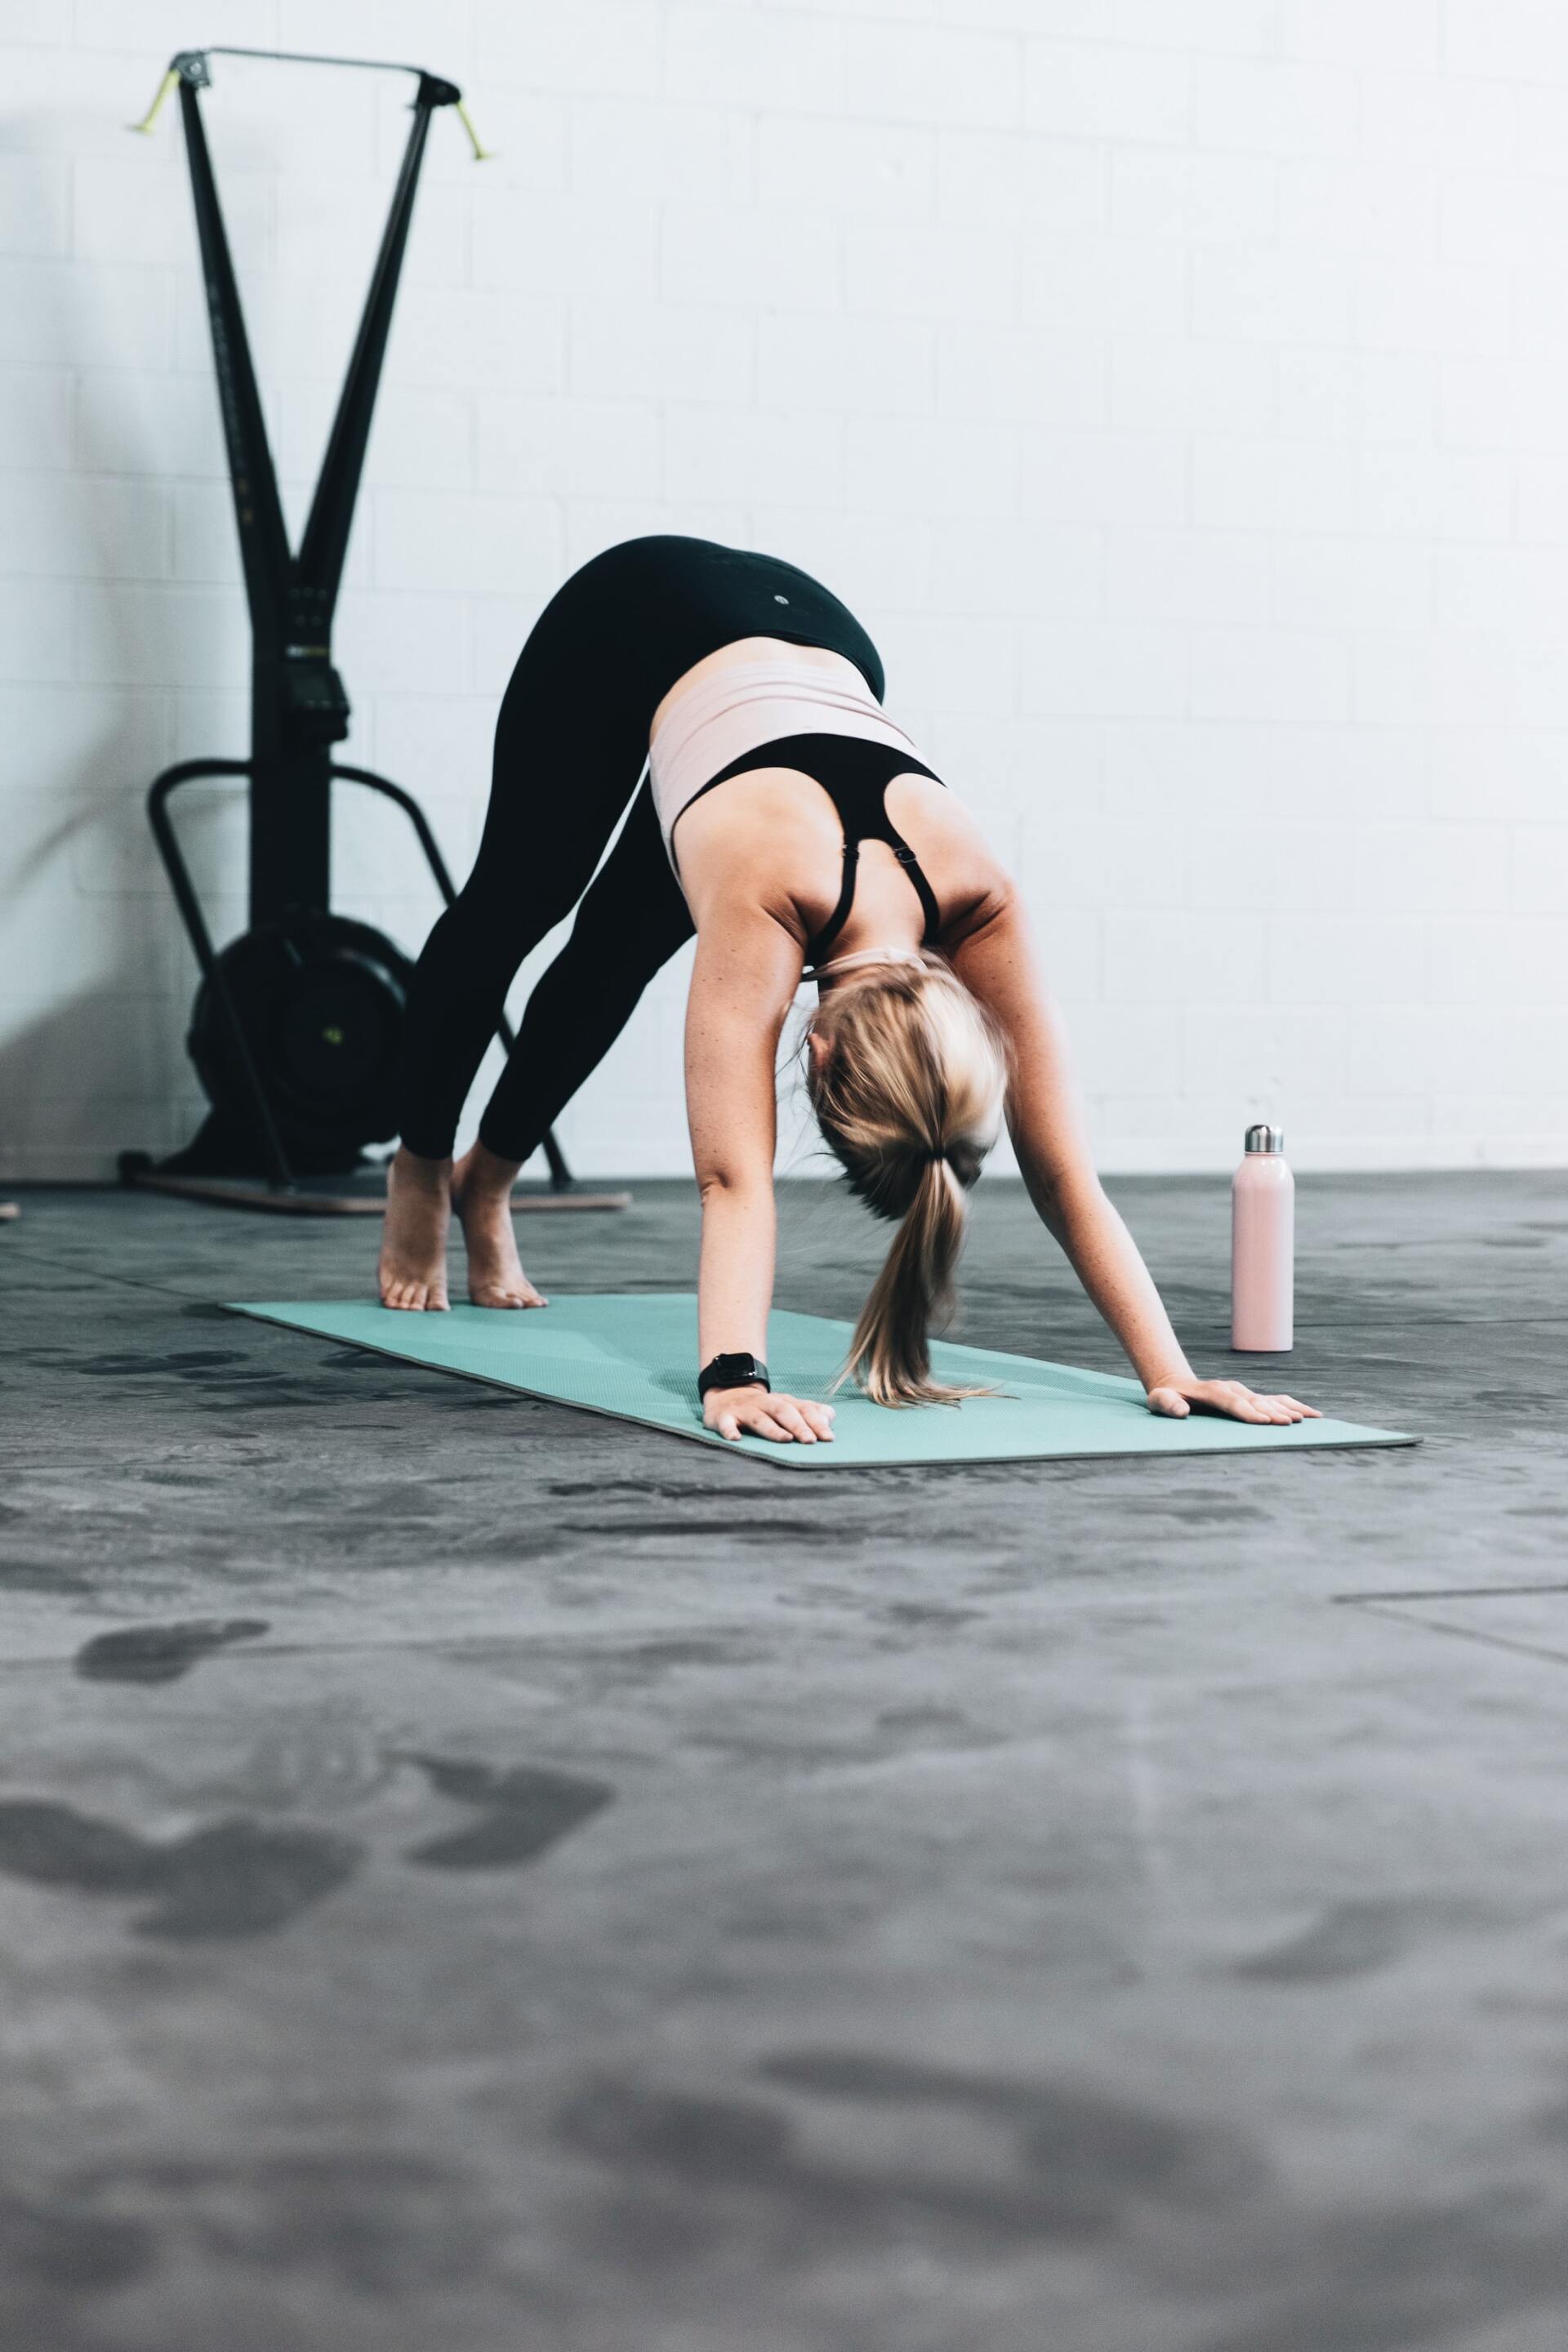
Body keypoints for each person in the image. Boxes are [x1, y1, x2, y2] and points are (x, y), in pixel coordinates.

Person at [378, 534, 1318, 1446]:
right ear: (818, 1052)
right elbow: (732, 1179)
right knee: (520, 901)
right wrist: (732, 1378)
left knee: (613, 957)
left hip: (819, 645)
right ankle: (420, 1170)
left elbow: (1063, 1171)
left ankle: (486, 1184)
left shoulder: (980, 899)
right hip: (635, 615)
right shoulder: (780, 895)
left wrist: (1171, 1369)